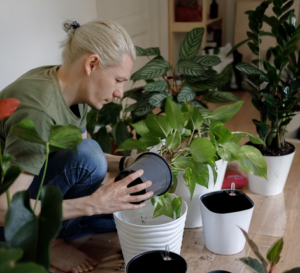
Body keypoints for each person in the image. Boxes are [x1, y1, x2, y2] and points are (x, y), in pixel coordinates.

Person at [0, 20, 153, 273]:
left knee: (123, 211)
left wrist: (126, 163)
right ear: (91, 64)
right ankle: (46, 243)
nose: (119, 92)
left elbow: (80, 152)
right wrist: (93, 204)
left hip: (27, 190)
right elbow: (4, 208)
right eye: (118, 80)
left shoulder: (71, 89)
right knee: (101, 195)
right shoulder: (37, 111)